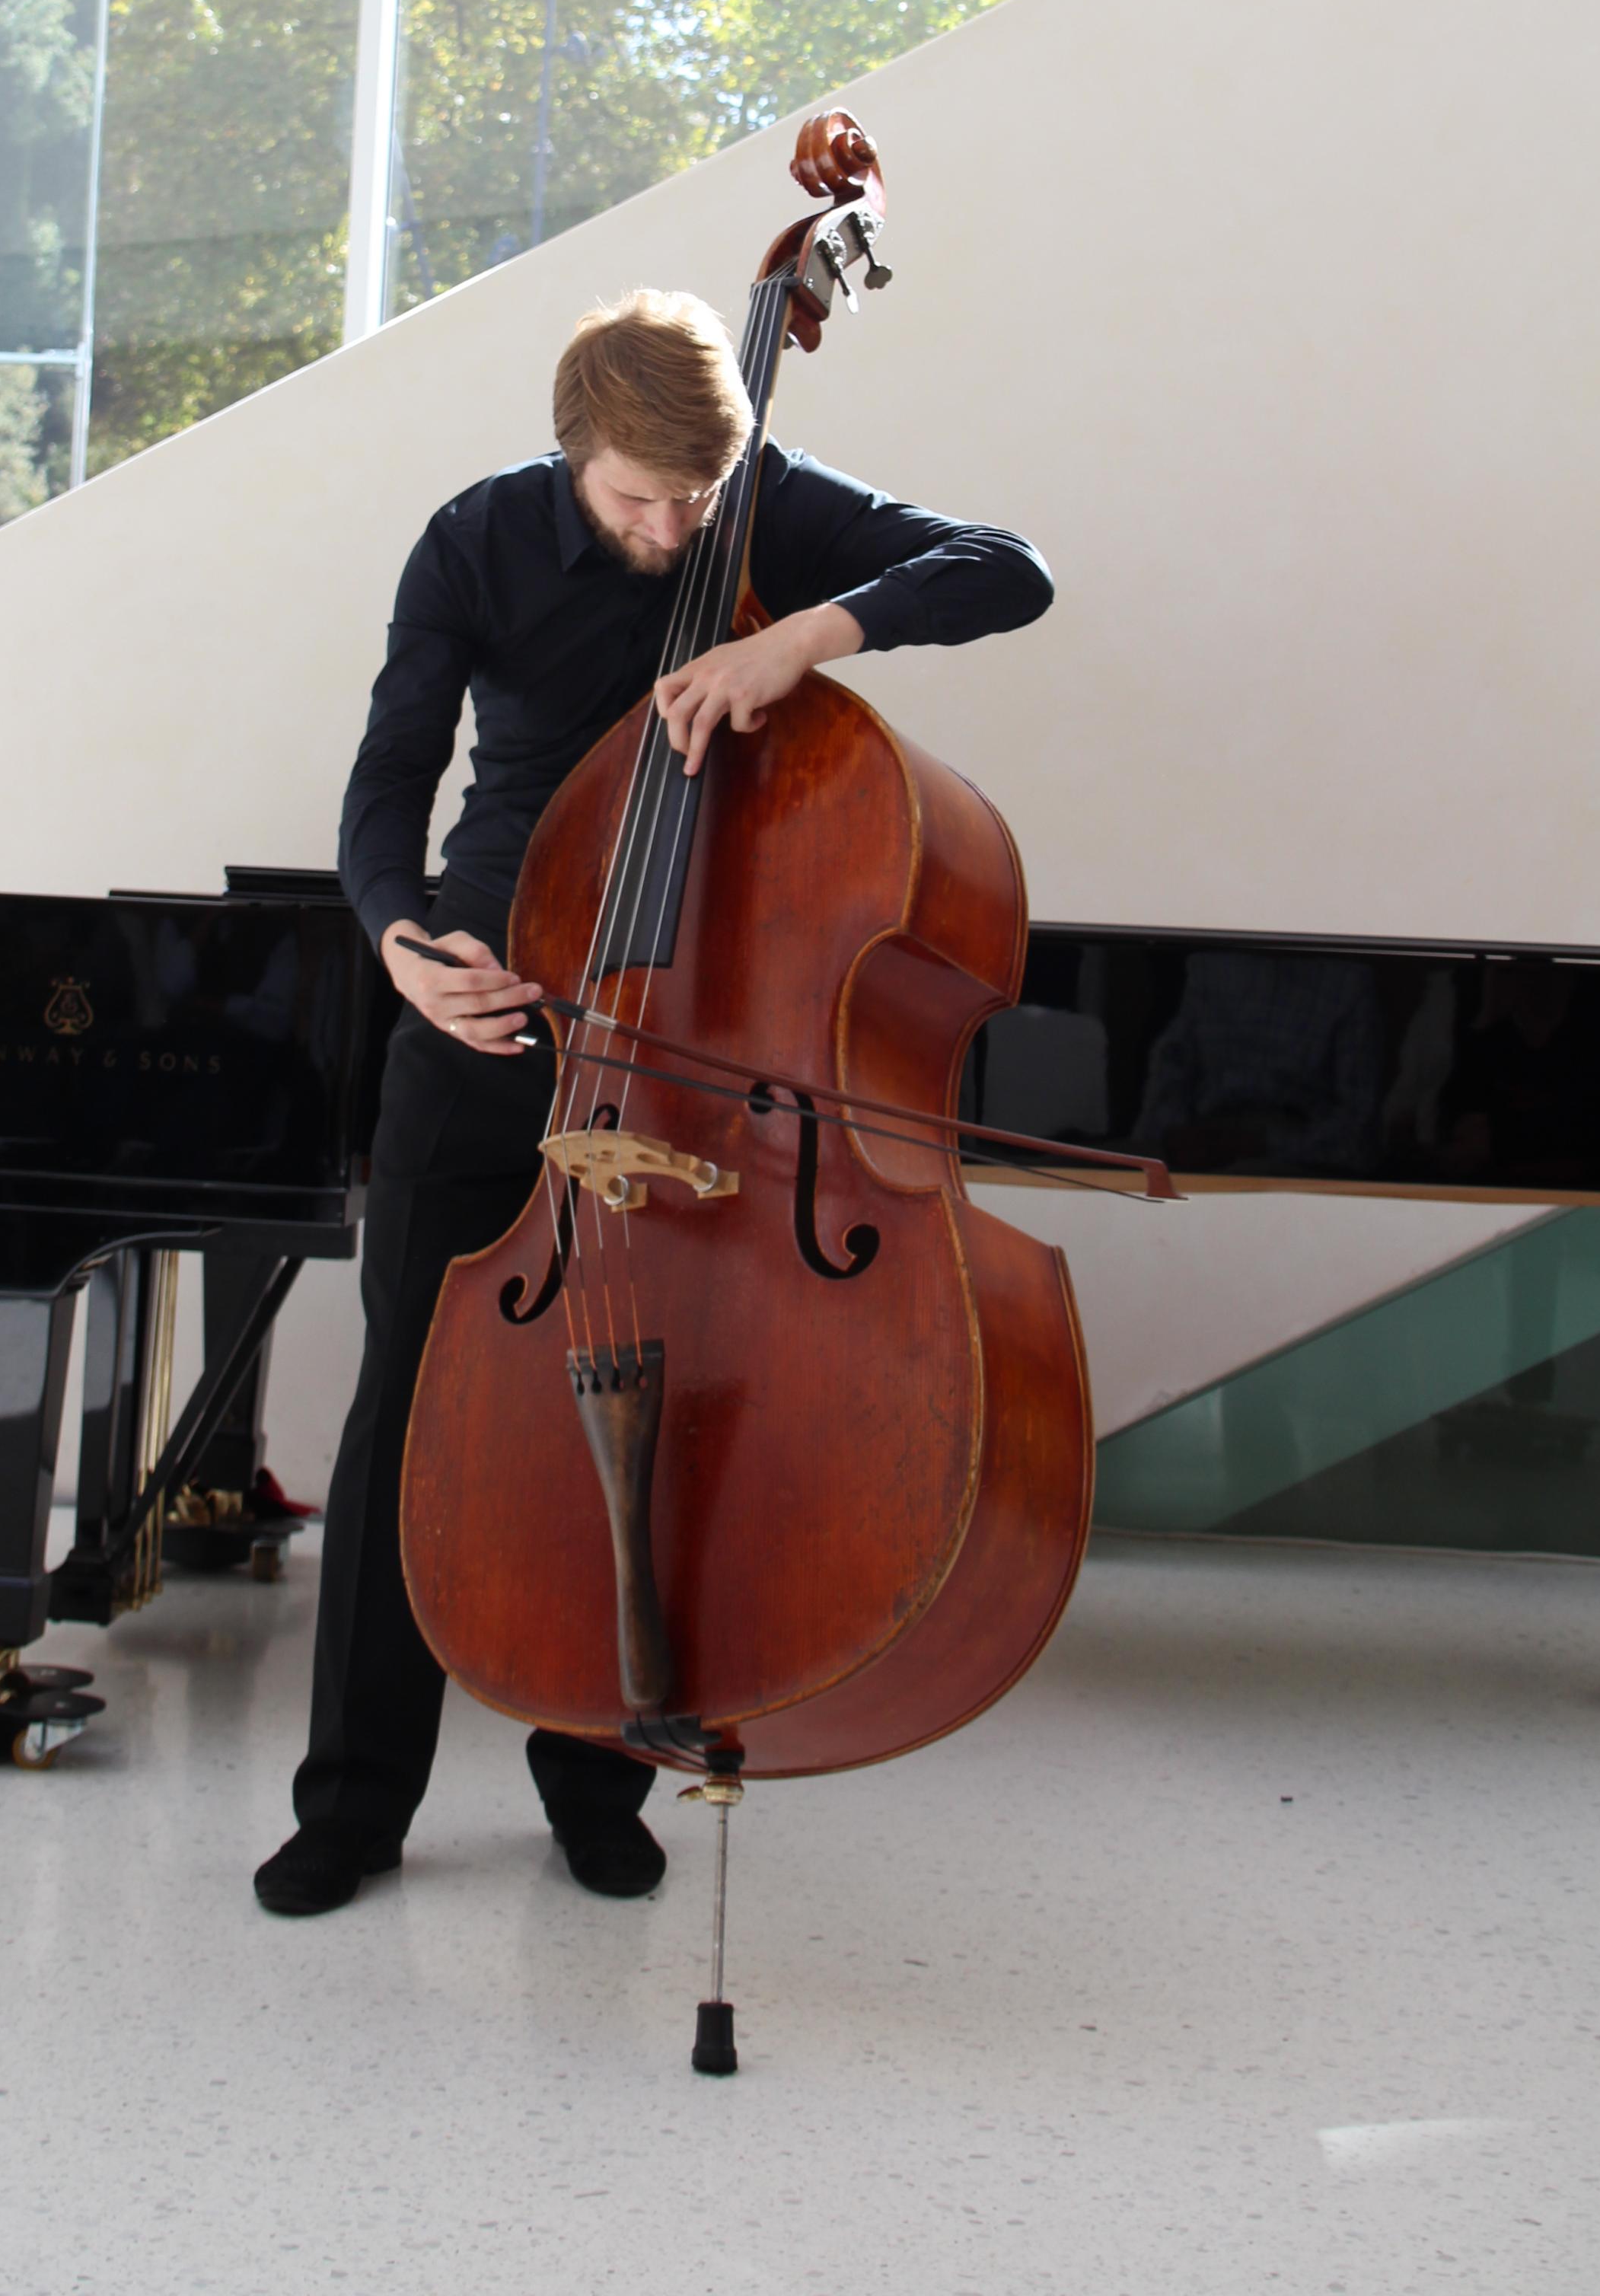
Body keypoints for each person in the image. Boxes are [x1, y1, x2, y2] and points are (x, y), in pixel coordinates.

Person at [253, 285, 1053, 1917]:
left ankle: (598, 1772)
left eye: (698, 494)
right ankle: (352, 1801)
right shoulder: (475, 539)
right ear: (572, 451)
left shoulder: (757, 501)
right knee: (408, 1406)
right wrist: (399, 942)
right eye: (639, 499)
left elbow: (1008, 567)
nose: (676, 527)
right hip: (493, 1005)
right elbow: (388, 776)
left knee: (654, 1386)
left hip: (696, 1033)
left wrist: (798, 634)